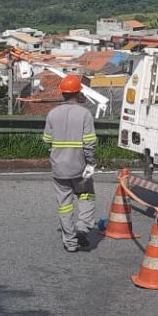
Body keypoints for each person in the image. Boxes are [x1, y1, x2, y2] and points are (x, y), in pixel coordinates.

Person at [43, 74, 97, 252]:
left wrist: (55, 156)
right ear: (78, 93)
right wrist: (90, 163)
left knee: (64, 205)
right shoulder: (84, 114)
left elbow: (47, 141)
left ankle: (70, 243)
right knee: (86, 196)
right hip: (79, 166)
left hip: (59, 168)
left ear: (63, 93)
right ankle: (82, 228)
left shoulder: (52, 113)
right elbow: (90, 142)